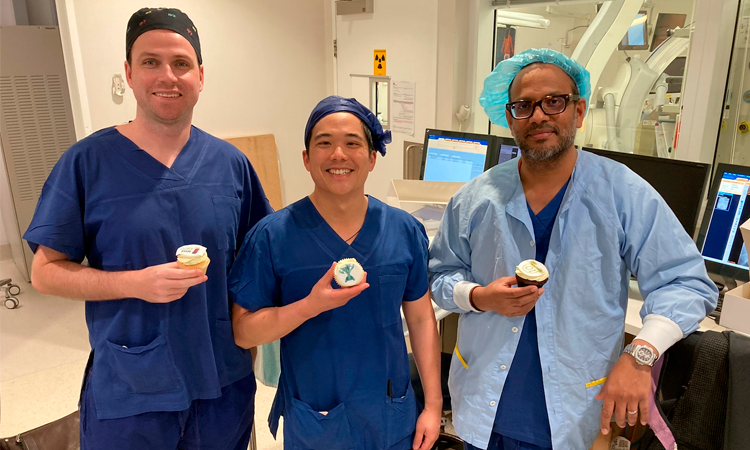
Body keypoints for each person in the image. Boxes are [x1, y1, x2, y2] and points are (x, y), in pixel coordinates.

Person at [428, 48, 718, 450]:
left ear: (578, 111)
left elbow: (687, 283)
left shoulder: (622, 193)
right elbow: (441, 275)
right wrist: (478, 296)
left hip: (573, 413)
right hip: (483, 406)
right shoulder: (477, 198)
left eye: (554, 101)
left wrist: (641, 354)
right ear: (509, 117)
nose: (539, 115)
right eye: (524, 105)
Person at [23, 8, 272, 449]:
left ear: (200, 75)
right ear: (129, 73)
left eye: (181, 63)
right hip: (130, 391)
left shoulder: (230, 166)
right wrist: (134, 283)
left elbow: (259, 265)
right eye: (150, 62)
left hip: (222, 385)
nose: (167, 77)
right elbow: (44, 272)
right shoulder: (88, 163)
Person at [228, 96, 442, 450]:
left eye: (353, 143)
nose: (338, 155)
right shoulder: (273, 236)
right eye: (324, 143)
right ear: (307, 159)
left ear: (372, 158)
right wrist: (309, 305)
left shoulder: (404, 231)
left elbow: (420, 320)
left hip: (391, 412)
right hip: (316, 420)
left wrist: (433, 406)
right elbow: (243, 332)